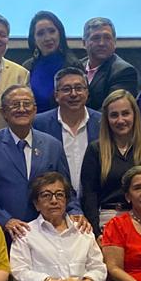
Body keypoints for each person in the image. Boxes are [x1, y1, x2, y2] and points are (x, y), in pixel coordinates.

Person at [0, 85, 82, 241]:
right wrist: (5, 220)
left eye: (27, 104)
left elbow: (66, 188)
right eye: (15, 105)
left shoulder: (53, 145)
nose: (22, 109)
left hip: (47, 233)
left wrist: (76, 212)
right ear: (3, 112)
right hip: (1, 233)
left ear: (35, 109)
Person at [80, 89, 141, 233]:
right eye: (114, 115)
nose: (120, 120)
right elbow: (90, 196)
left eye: (125, 113)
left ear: (135, 115)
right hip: (107, 221)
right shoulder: (95, 150)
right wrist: (96, 232)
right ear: (106, 119)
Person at [33, 66, 100, 195]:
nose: (73, 94)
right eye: (66, 89)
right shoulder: (39, 124)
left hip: (96, 200)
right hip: (55, 201)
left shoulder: (102, 123)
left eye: (79, 88)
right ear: (56, 95)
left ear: (87, 92)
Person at [21, 11, 80, 111]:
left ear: (60, 34)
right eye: (40, 33)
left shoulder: (73, 65)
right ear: (34, 39)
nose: (47, 38)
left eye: (52, 31)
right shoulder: (27, 67)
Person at [81, 16, 139, 110]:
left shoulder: (124, 71)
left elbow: (112, 110)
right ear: (84, 43)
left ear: (115, 42)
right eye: (96, 38)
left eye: (107, 38)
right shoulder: (76, 67)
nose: (102, 43)